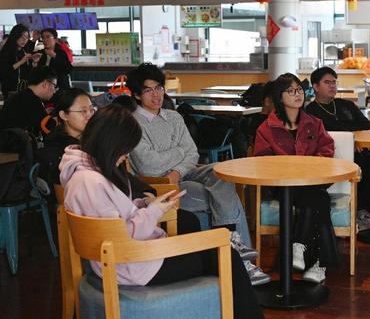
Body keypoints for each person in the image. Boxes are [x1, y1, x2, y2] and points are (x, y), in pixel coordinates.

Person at [60, 105, 263, 319]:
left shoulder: (85, 172)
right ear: (111, 142)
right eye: (125, 148)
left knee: (205, 241)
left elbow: (116, 217)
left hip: (127, 260)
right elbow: (123, 237)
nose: (126, 155)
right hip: (133, 264)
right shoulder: (91, 182)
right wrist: (154, 211)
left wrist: (142, 204)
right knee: (226, 255)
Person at [125, 63, 270, 286]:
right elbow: (149, 166)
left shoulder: (174, 117)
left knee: (221, 172)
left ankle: (234, 243)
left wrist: (177, 170)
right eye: (148, 90)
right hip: (160, 186)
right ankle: (241, 262)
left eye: (159, 88)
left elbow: (192, 153)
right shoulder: (132, 123)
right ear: (136, 94)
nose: (156, 95)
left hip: (182, 174)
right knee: (215, 195)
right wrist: (179, 152)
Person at [253, 73, 338, 283]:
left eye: (299, 89)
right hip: (283, 185)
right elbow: (262, 161)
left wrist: (309, 170)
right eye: (290, 91)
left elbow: (326, 149)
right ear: (279, 97)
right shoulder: (266, 128)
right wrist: (288, 172)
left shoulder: (314, 123)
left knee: (314, 194)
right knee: (319, 200)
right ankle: (318, 263)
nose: (297, 94)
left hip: (312, 180)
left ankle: (298, 247)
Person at [305, 66, 370, 228]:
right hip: (337, 152)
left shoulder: (346, 105)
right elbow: (322, 136)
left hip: (363, 146)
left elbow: (366, 125)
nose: (332, 86)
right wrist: (349, 142)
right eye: (327, 82)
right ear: (315, 86)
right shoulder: (311, 111)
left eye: (334, 82)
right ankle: (364, 210)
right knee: (364, 160)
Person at [36, 88, 96, 187]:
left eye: (91, 109)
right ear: (64, 115)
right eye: (83, 111)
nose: (89, 115)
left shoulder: (93, 138)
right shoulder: (58, 150)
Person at [0, 66, 57, 137]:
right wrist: (61, 118)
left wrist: (43, 113)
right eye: (54, 86)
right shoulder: (31, 99)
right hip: (11, 142)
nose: (54, 91)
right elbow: (48, 127)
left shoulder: (24, 95)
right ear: (45, 84)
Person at [0, 24, 40, 99]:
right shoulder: (6, 52)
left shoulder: (23, 51)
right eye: (22, 37)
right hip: (11, 90)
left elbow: (27, 71)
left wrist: (34, 62)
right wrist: (21, 62)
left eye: (27, 37)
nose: (24, 40)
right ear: (15, 36)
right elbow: (4, 72)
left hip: (24, 89)